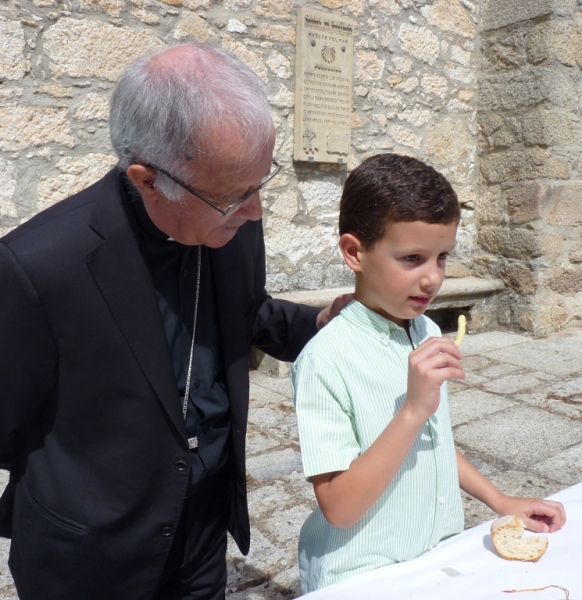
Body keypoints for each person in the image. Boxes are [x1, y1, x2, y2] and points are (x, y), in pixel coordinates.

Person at [0, 43, 349, 600]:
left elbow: (244, 313)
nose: (255, 210)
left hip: (203, 529)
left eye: (261, 184)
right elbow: (8, 430)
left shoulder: (231, 215)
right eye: (236, 195)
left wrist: (321, 321)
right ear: (146, 178)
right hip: (94, 554)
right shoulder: (36, 267)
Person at [291, 153, 567, 593]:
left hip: (435, 557)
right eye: (412, 258)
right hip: (363, 574)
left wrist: (500, 500)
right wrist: (412, 410)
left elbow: (433, 442)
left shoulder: (425, 329)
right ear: (354, 252)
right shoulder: (326, 360)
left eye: (442, 257)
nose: (431, 278)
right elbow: (338, 508)